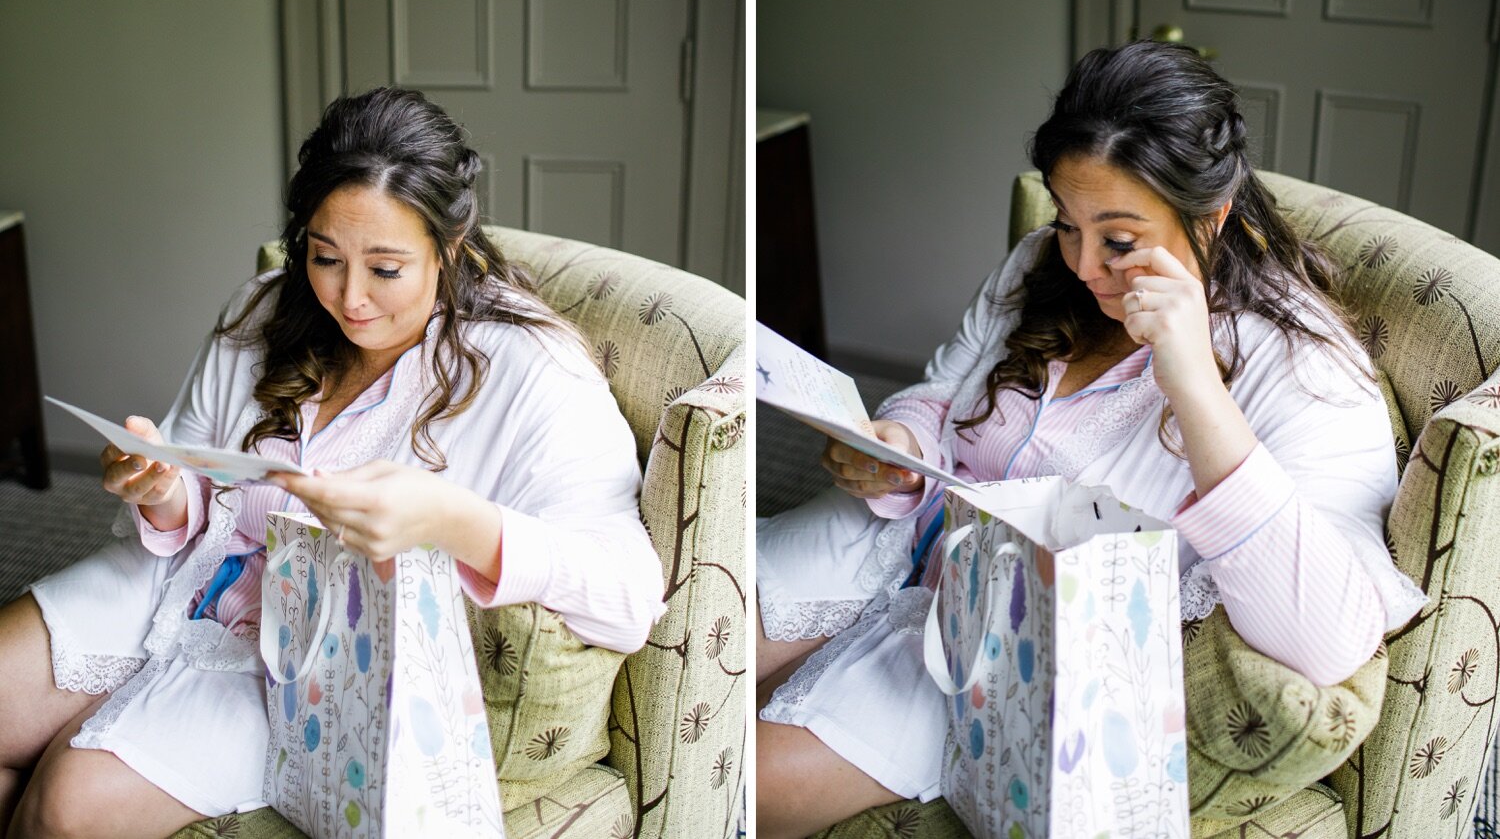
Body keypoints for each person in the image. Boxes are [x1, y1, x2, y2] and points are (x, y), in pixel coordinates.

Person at [754, 41, 1427, 839]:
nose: (1080, 265)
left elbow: (1330, 639)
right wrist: (900, 440)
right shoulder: (1040, 266)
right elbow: (942, 390)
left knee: (748, 783)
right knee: (692, 638)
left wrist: (1196, 387)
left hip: (1008, 637)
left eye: (1118, 240)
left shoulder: (1303, 364)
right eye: (1067, 223)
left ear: (1210, 218)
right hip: (891, 536)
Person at [0, 87, 665, 838]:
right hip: (174, 581)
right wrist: (160, 488)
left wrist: (452, 520)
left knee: (65, 807)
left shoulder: (532, 372)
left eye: (386, 269)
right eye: (325, 258)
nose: (349, 299)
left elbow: (629, 594)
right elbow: (197, 483)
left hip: (310, 662)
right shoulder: (265, 309)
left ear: (450, 245)